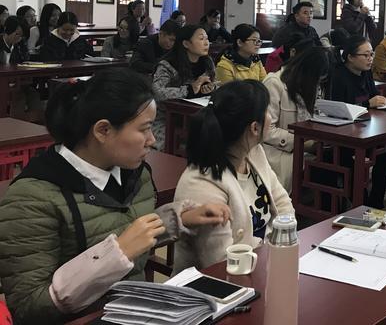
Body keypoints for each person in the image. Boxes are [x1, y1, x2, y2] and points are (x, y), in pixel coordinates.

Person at [0, 69, 231, 324]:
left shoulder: (136, 174)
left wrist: (179, 219)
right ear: (103, 131)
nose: (152, 140)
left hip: (136, 313)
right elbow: (28, 308)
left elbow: (119, 226)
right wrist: (116, 254)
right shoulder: (31, 199)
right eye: (144, 129)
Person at [172, 80, 294, 272]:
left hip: (264, 264)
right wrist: (272, 255)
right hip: (224, 281)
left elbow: (282, 203)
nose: (271, 118)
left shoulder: (254, 153)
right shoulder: (203, 182)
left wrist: (281, 249)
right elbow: (221, 264)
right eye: (267, 112)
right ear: (255, 128)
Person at [329, 36, 386, 207]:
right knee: (348, 160)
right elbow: (338, 109)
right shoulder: (338, 76)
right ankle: (362, 204)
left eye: (372, 54)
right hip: (343, 135)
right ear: (350, 57)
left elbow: (373, 96)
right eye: (366, 55)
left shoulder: (366, 73)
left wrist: (381, 100)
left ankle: (376, 201)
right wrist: (368, 104)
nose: (370, 58)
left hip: (365, 128)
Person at [264, 46, 329, 191]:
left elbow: (313, 117)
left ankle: (336, 203)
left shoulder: (309, 86)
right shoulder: (275, 83)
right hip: (278, 150)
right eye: (315, 80)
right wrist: (300, 142)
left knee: (338, 159)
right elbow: (266, 131)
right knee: (325, 168)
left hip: (305, 145)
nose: (316, 85)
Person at [152, 25, 220, 151]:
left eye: (207, 39)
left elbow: (215, 83)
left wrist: (211, 88)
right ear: (186, 43)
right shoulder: (168, 65)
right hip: (166, 119)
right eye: (201, 39)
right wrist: (189, 89)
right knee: (184, 147)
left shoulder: (207, 63)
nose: (206, 43)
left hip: (196, 118)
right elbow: (158, 92)